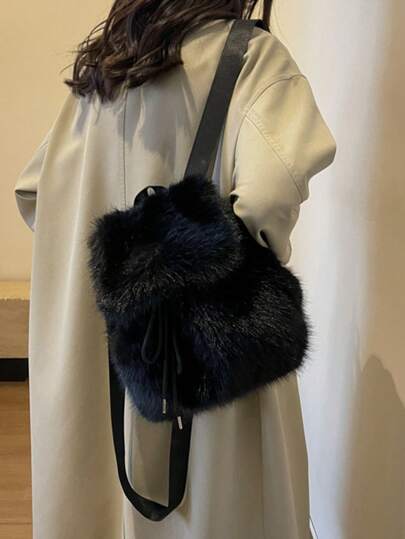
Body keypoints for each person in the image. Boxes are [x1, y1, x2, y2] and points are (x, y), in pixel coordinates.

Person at [14, 1, 337, 538]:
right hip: (204, 368)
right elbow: (267, 198)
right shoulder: (252, 59)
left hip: (92, 351)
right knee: (218, 503)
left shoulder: (106, 68)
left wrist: (98, 255)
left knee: (96, 502)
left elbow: (34, 193)